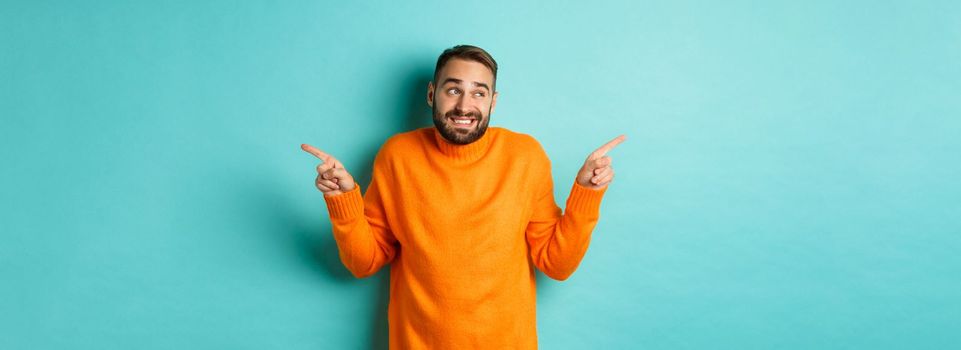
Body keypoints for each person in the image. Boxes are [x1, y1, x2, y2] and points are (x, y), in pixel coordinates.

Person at [300, 44, 624, 349]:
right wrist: (343, 200)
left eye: (478, 93)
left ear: (493, 102)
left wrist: (588, 193)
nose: (464, 106)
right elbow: (364, 262)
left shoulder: (525, 157)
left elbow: (556, 264)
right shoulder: (396, 157)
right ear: (432, 94)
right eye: (453, 89)